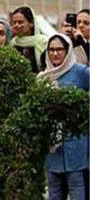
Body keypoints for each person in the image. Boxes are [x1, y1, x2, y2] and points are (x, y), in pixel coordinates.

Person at [38, 34, 89, 200]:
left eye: (59, 49)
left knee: (76, 185)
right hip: (52, 145)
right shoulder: (43, 77)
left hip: (75, 141)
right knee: (54, 187)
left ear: (67, 51)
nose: (55, 54)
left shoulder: (80, 72)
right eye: (51, 50)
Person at [9, 6, 48, 73]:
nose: (16, 25)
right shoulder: (13, 43)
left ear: (31, 23)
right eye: (14, 23)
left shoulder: (44, 42)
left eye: (20, 22)